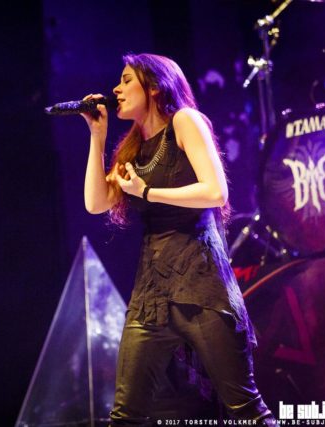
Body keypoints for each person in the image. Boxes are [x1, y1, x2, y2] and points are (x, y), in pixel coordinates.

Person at [80, 53, 277, 425]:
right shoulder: (132, 148)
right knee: (125, 415)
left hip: (200, 286)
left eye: (126, 80)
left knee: (245, 409)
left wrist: (148, 192)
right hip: (151, 296)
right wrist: (97, 136)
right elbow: (95, 203)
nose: (116, 89)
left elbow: (215, 191)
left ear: (154, 87)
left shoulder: (185, 121)